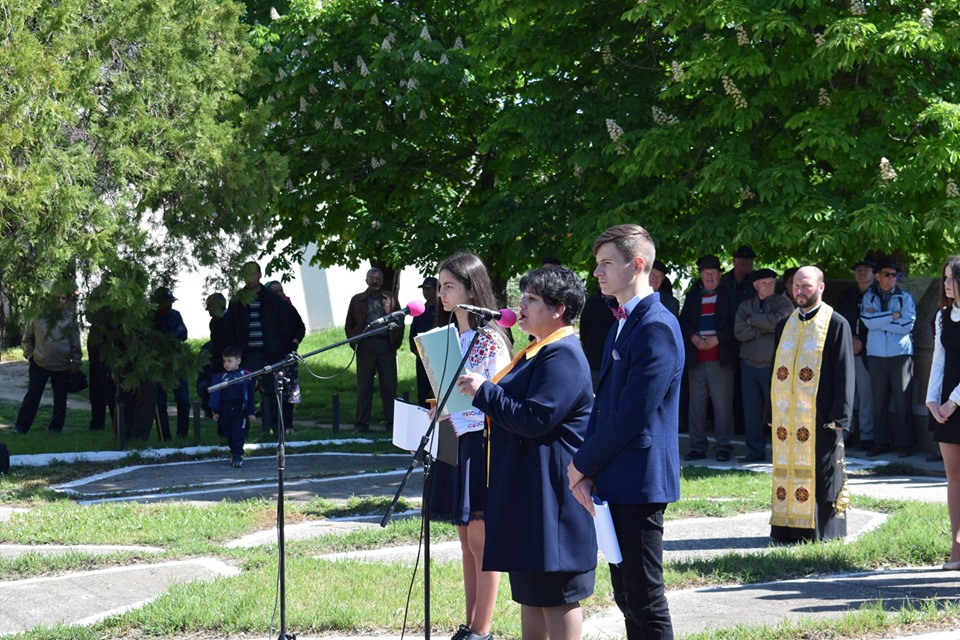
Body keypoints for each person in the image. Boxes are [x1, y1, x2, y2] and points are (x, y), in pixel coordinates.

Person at [459, 266, 596, 640]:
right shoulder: (538, 351)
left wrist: (485, 392)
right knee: (531, 593)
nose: (521, 304)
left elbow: (535, 418)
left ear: (559, 308)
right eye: (523, 296)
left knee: (557, 593)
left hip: (552, 498)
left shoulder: (563, 355)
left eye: (532, 299)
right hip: (528, 492)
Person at [568, 224, 682, 640]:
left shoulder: (656, 325)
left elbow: (633, 413)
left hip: (640, 480)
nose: (597, 272)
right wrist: (590, 469)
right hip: (617, 476)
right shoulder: (622, 322)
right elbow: (605, 406)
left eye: (606, 263)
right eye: (597, 263)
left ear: (636, 265)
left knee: (645, 598)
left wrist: (582, 463)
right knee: (627, 596)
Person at [428, 252, 512, 640]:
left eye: (450, 286)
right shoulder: (450, 338)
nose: (441, 293)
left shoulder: (490, 339)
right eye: (440, 286)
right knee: (465, 540)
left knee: (481, 539)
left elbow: (498, 397)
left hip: (482, 441)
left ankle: (483, 628)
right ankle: (470, 622)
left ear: (471, 291)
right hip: (454, 440)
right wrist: (438, 411)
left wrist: (460, 410)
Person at [769, 266, 854, 543]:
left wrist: (841, 414)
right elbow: (775, 371)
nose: (800, 291)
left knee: (822, 471)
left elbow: (844, 371)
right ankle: (787, 528)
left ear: (821, 287)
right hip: (787, 417)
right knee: (787, 470)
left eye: (806, 286)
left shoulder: (836, 323)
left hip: (822, 414)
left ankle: (821, 531)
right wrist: (771, 411)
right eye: (796, 285)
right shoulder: (784, 324)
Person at [679, 254, 738, 461]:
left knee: (722, 405)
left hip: (720, 359)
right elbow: (683, 322)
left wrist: (718, 339)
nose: (710, 277)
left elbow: (736, 323)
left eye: (713, 273)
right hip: (697, 359)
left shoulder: (730, 295)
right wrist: (694, 338)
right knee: (696, 406)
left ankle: (723, 446)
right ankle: (697, 446)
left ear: (720, 276)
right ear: (701, 276)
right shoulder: (693, 296)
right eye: (706, 274)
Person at [225, 261, 291, 437]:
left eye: (253, 273)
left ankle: (277, 430)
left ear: (260, 274)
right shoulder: (237, 300)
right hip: (246, 354)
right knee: (242, 392)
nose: (250, 278)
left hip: (269, 352)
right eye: (246, 274)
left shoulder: (271, 298)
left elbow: (283, 325)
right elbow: (230, 328)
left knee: (273, 392)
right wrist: (234, 352)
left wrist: (279, 347)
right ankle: (240, 429)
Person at [733, 269, 793, 463]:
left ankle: (781, 450)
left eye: (772, 283)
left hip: (774, 366)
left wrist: (753, 321)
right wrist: (764, 328)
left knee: (778, 410)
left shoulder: (783, 303)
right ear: (755, 285)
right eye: (764, 283)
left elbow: (782, 323)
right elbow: (739, 332)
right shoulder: (745, 306)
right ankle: (755, 450)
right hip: (749, 365)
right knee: (752, 412)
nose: (769, 286)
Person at [924, 256, 960, 571]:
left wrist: (954, 400)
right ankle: (957, 550)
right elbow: (939, 360)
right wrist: (932, 400)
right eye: (944, 278)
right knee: (954, 477)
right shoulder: (942, 316)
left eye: (952, 278)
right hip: (946, 406)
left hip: (955, 401)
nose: (946, 284)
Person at [861, 258, 916, 458]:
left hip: (901, 354)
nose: (891, 278)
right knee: (879, 401)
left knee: (903, 401)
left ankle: (904, 444)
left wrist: (879, 319)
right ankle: (881, 442)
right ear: (877, 276)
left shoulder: (905, 297)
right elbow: (867, 322)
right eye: (887, 274)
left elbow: (907, 326)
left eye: (894, 275)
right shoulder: (868, 297)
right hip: (876, 354)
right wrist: (893, 316)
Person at [344, 267, 404, 432]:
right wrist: (355, 343)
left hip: (386, 345)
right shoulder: (357, 299)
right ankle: (361, 424)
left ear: (382, 281)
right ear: (366, 280)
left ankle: (392, 424)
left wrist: (394, 343)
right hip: (365, 345)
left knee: (389, 386)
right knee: (364, 386)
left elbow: (400, 321)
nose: (375, 281)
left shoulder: (390, 298)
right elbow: (349, 324)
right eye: (371, 278)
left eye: (378, 278)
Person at [14, 294, 83, 434]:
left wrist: (76, 362)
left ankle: (56, 428)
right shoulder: (37, 316)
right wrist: (30, 356)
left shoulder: (69, 318)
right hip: (39, 364)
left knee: (60, 400)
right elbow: (27, 339)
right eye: (57, 298)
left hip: (62, 366)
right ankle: (21, 427)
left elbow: (75, 341)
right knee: (32, 396)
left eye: (62, 298)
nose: (60, 301)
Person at [836, 257, 877, 450]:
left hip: (869, 352)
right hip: (848, 348)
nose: (862, 273)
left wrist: (862, 342)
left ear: (874, 274)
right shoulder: (847, 294)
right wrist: (850, 339)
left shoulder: (878, 294)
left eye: (866, 270)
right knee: (848, 394)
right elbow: (839, 319)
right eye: (858, 270)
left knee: (867, 395)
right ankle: (847, 432)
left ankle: (867, 435)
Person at [267, 281, 306, 434]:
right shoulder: (266, 311)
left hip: (288, 355)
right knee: (273, 393)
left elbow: (300, 327)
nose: (280, 294)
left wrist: (295, 340)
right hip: (272, 357)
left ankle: (288, 425)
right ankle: (273, 426)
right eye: (275, 292)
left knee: (289, 393)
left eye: (281, 290)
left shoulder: (288, 308)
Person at [209, 346, 257, 468]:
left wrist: (251, 412)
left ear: (238, 361)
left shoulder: (245, 376)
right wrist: (215, 411)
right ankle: (233, 451)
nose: (226, 364)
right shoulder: (220, 377)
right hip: (225, 409)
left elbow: (250, 395)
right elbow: (216, 395)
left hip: (239, 409)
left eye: (229, 361)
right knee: (229, 433)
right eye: (224, 361)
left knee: (238, 433)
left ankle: (237, 455)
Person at [153, 286, 190, 440]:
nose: (168, 307)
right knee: (160, 402)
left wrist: (169, 336)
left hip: (177, 360)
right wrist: (173, 334)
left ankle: (183, 433)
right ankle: (164, 436)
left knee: (183, 399)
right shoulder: (152, 318)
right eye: (165, 304)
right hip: (159, 362)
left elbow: (184, 333)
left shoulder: (176, 315)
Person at [578, 290, 617, 391]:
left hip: (616, 364)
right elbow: (583, 330)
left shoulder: (622, 303)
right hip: (594, 363)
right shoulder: (591, 303)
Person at [409, 276, 439, 407]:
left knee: (438, 392)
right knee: (423, 392)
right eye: (424, 289)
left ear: (436, 290)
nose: (425, 292)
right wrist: (416, 350)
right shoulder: (420, 310)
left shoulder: (443, 309)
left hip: (438, 357)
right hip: (421, 357)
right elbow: (412, 332)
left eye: (428, 289)